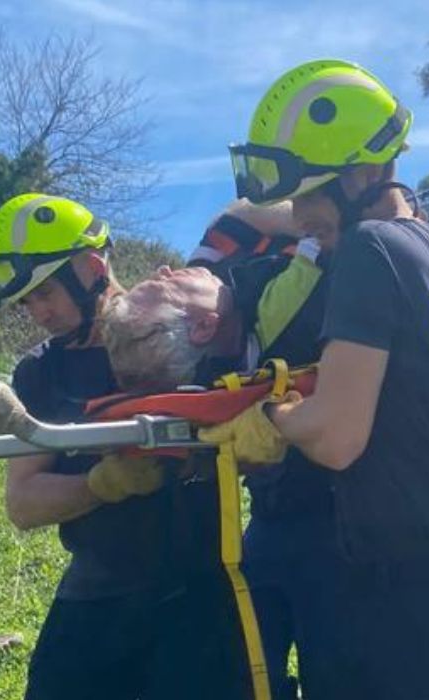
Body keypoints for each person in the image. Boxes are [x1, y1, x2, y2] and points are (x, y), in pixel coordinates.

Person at [205, 57, 429, 699]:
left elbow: (336, 438)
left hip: (388, 614)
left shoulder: (371, 248)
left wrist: (269, 418)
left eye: (309, 193)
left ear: (365, 173)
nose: (299, 217)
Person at [0, 193, 256, 700]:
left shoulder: (185, 323)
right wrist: (102, 484)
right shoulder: (41, 372)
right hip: (99, 591)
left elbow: (249, 217)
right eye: (27, 301)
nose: (38, 312)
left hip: (202, 595)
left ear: (93, 267)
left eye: (46, 293)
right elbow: (22, 502)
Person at [105, 201, 335, 700]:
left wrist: (283, 221)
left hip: (301, 520)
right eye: (162, 286)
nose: (165, 268)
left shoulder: (201, 299)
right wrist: (302, 223)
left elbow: (233, 216)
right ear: (203, 328)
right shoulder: (278, 308)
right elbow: (324, 226)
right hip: (315, 520)